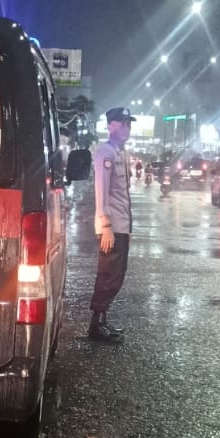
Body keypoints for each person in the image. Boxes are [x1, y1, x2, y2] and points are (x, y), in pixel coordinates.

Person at [88, 106, 135, 342]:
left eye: (128, 124)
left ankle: (102, 320)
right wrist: (105, 225)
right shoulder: (105, 152)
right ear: (110, 126)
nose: (127, 128)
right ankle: (95, 326)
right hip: (111, 227)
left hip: (122, 225)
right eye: (122, 123)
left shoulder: (121, 153)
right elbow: (101, 191)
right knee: (108, 275)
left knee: (117, 275)